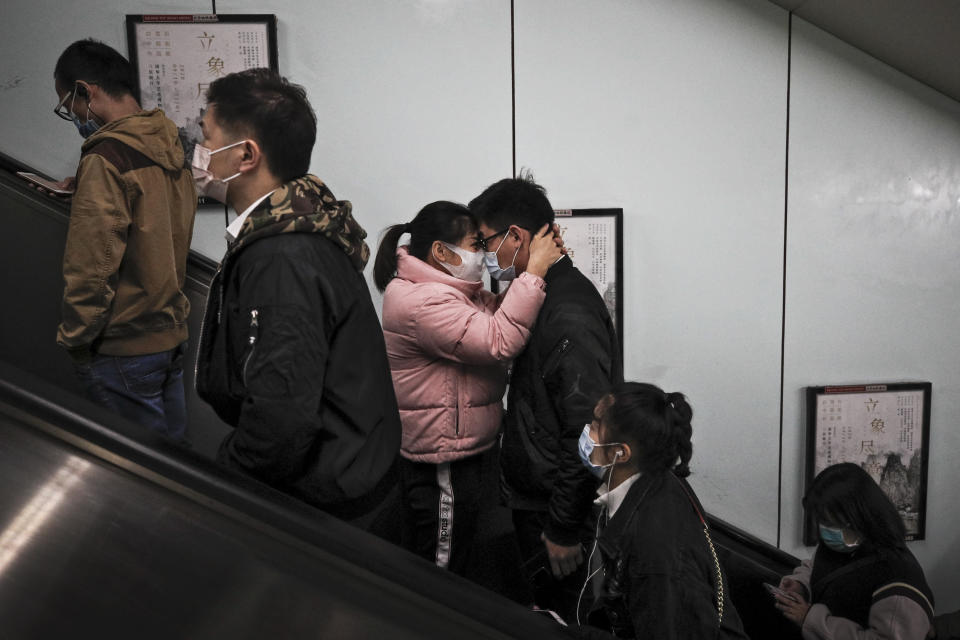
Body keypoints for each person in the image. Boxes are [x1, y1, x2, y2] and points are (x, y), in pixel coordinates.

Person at [193, 68, 401, 538]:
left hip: (334, 500)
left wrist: (225, 476)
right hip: (352, 471)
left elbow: (282, 413)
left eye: (205, 136)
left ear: (246, 154)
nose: (198, 151)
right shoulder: (293, 228)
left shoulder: (282, 257)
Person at [374, 201, 562, 575]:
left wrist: (526, 275)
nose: (483, 254)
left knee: (452, 551)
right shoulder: (422, 301)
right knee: (440, 565)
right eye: (476, 244)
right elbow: (497, 340)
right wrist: (535, 272)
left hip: (459, 450)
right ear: (441, 251)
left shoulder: (451, 289)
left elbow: (498, 314)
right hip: (441, 460)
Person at [468, 174, 623, 620]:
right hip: (535, 504)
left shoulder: (567, 309)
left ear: (515, 237)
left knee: (559, 619)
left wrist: (562, 527)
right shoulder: (543, 295)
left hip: (552, 516)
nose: (481, 255)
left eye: (484, 242)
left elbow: (588, 429)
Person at [53, 39, 196, 440]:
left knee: (139, 480)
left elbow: (92, 268)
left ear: (87, 91)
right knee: (175, 469)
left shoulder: (106, 159)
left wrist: (76, 338)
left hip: (123, 345)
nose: (75, 115)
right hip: (169, 334)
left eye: (70, 105)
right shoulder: (171, 146)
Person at [569, 382, 748, 639]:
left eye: (596, 426)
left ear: (621, 453)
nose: (587, 432)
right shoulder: (659, 481)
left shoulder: (654, 555)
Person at [773, 462, 935, 640]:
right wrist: (800, 585)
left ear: (858, 517)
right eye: (820, 521)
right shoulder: (845, 545)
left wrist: (810, 619)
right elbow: (816, 566)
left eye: (829, 522)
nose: (823, 529)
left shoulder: (899, 578)